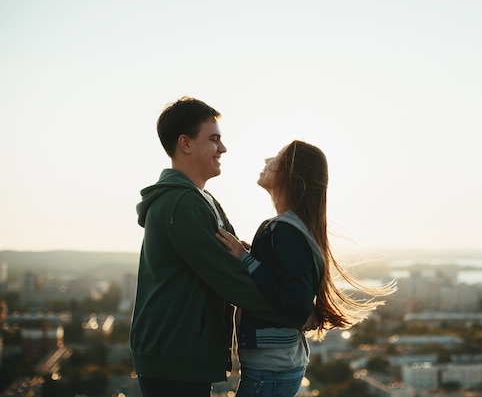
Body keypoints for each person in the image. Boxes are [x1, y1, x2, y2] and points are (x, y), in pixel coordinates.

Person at [130, 97, 301, 397]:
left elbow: (233, 259)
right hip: (173, 357)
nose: (223, 149)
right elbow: (229, 279)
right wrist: (292, 312)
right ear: (185, 143)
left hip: (182, 354)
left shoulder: (201, 199)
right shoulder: (181, 203)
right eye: (214, 139)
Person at [216, 140, 397, 397]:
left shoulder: (284, 229)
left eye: (276, 157)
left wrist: (246, 260)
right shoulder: (294, 228)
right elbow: (286, 281)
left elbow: (295, 304)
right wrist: (252, 255)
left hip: (270, 368)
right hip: (278, 365)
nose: (267, 160)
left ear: (291, 176)